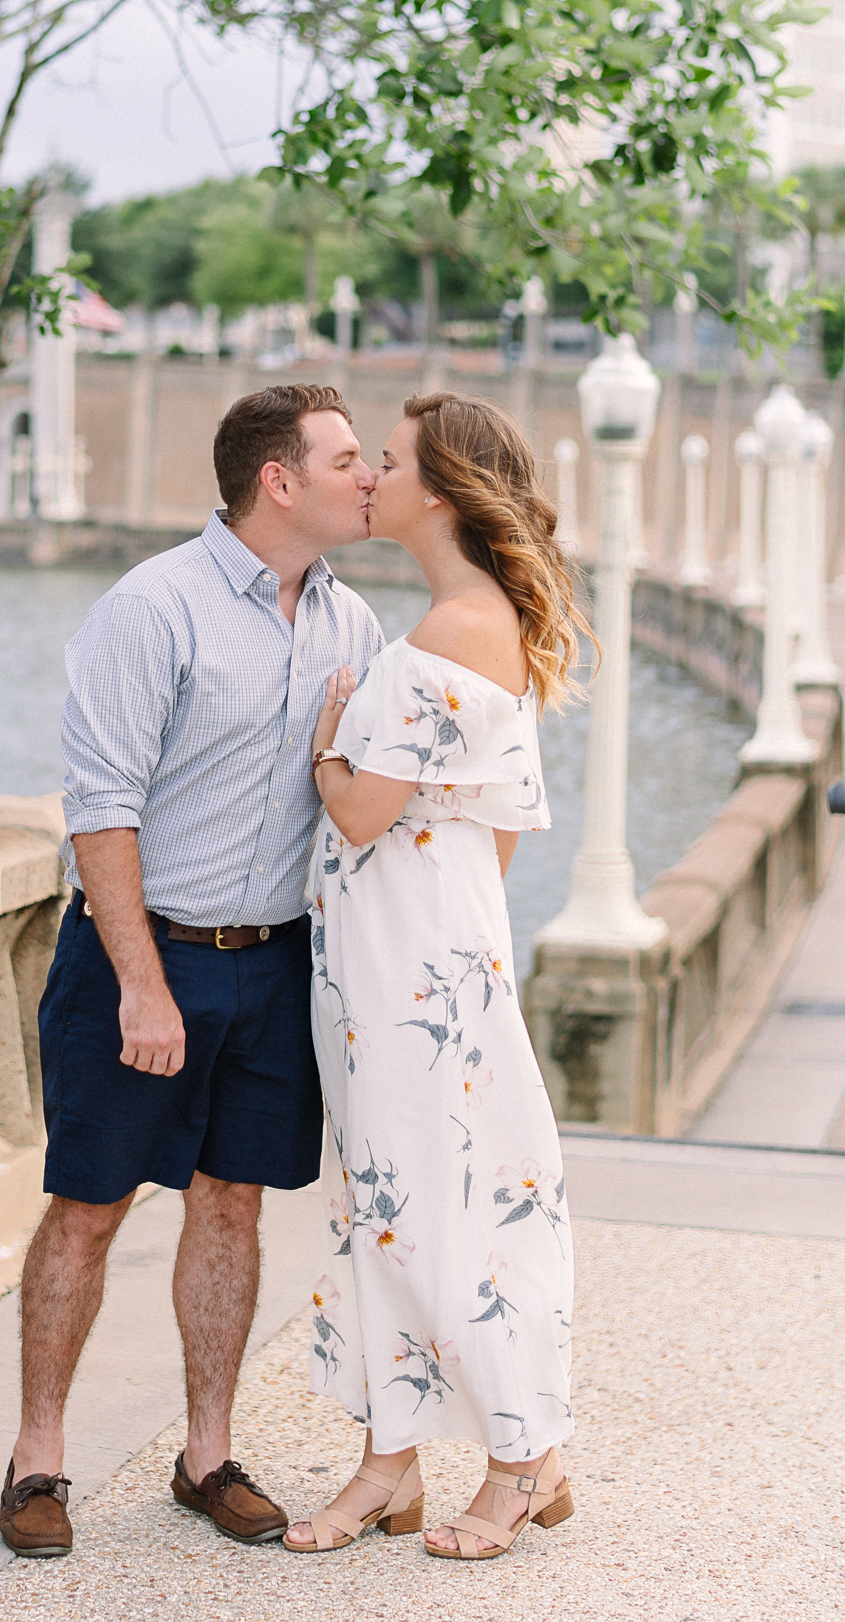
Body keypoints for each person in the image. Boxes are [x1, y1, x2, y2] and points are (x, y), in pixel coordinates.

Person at [0, 384, 384, 1559]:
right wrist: (140, 982)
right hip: (140, 957)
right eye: (349, 460)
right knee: (90, 1208)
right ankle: (38, 1462)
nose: (369, 477)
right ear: (280, 480)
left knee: (232, 1203)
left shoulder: (351, 624)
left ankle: (206, 1455)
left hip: (273, 968)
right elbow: (102, 811)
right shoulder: (151, 608)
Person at [283, 391, 588, 1560]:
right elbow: (502, 828)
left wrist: (333, 727)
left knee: (429, 1206)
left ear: (443, 493)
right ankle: (390, 1465)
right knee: (394, 1200)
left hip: (402, 963)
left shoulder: (443, 635)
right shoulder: (480, 617)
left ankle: (524, 1460)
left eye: (391, 461)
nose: (372, 477)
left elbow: (359, 810)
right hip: (428, 949)